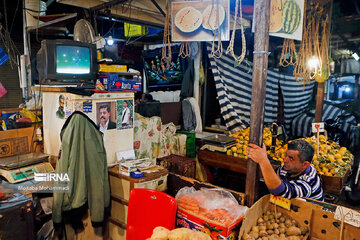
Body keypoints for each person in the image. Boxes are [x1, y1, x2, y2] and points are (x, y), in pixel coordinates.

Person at [247, 139, 324, 201]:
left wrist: (263, 160)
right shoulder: (287, 169)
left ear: (305, 165)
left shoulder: (308, 181)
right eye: (286, 155)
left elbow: (280, 191)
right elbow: (271, 177)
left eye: (291, 158)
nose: (285, 160)